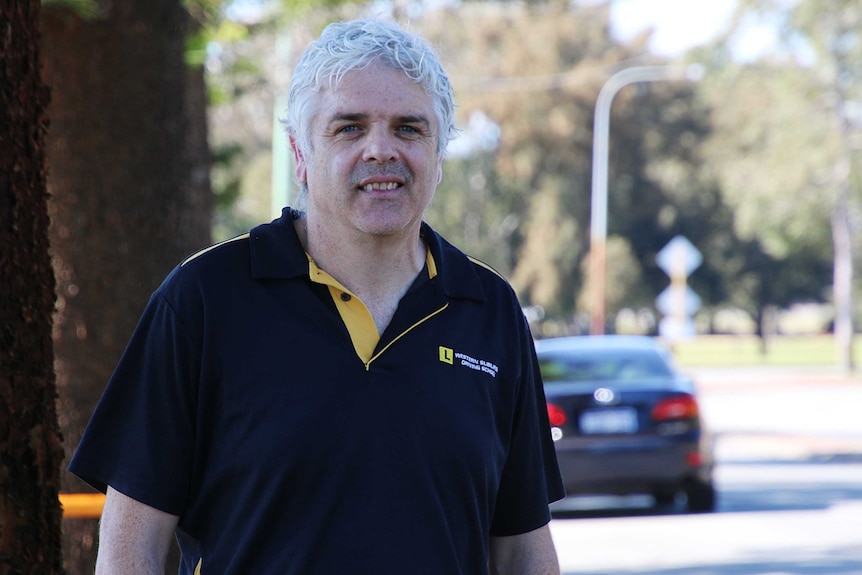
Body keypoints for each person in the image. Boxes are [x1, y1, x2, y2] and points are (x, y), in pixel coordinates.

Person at [69, 18, 565, 575]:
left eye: (409, 128)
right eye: (349, 128)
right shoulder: (203, 301)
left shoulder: (490, 310)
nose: (381, 150)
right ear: (300, 153)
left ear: (439, 152)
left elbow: (522, 550)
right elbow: (129, 548)